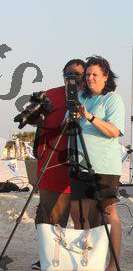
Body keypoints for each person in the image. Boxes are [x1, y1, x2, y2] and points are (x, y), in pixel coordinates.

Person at [69, 55, 125, 271]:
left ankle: (113, 263)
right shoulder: (80, 98)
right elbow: (68, 124)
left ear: (105, 77)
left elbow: (114, 131)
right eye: (88, 74)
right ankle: (87, 260)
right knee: (78, 212)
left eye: (95, 74)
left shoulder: (112, 99)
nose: (90, 78)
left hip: (104, 166)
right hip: (80, 164)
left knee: (108, 212)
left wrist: (89, 116)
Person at [34, 59, 86, 234]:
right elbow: (35, 120)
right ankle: (48, 251)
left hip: (82, 164)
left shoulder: (92, 98)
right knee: (49, 219)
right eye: (69, 74)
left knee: (84, 220)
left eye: (78, 74)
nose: (73, 78)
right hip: (53, 164)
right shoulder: (49, 95)